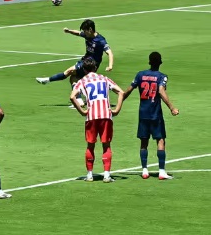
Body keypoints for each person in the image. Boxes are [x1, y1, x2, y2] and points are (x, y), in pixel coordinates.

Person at [121, 52, 180, 180]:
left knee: (144, 141)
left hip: (143, 113)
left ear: (149, 62)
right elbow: (161, 91)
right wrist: (172, 107)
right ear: (160, 63)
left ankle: (144, 170)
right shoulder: (162, 77)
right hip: (155, 114)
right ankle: (161, 171)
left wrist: (119, 103)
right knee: (160, 140)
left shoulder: (140, 75)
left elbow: (128, 90)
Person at [69, 57, 125, 182]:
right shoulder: (104, 79)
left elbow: (72, 97)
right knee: (106, 145)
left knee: (90, 145)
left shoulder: (82, 81)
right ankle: (106, 175)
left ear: (84, 69)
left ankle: (89, 175)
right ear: (95, 68)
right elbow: (121, 92)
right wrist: (117, 109)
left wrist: (82, 111)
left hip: (91, 116)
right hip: (106, 115)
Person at [36, 19, 114, 89]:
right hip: (85, 60)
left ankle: (48, 80)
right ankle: (79, 100)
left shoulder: (100, 40)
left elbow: (110, 53)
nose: (84, 32)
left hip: (91, 64)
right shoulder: (88, 35)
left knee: (69, 71)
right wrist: (69, 31)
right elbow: (78, 33)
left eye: (85, 30)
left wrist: (110, 66)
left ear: (90, 29)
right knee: (73, 78)